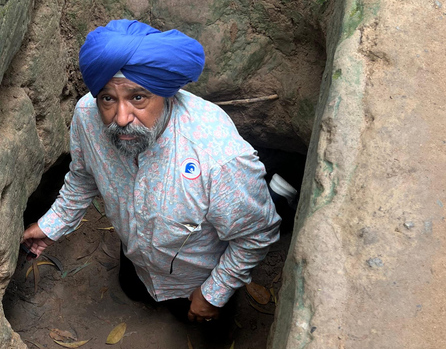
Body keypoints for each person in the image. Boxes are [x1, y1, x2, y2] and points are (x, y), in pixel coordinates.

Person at [21, 19, 280, 325]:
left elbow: (255, 236)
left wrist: (212, 293)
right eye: (108, 98)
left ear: (168, 93)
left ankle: (281, 190)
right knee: (133, 288)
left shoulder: (219, 158)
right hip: (138, 256)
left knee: (201, 319)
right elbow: (83, 175)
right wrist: (53, 224)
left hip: (197, 275)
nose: (120, 117)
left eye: (138, 98)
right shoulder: (87, 118)